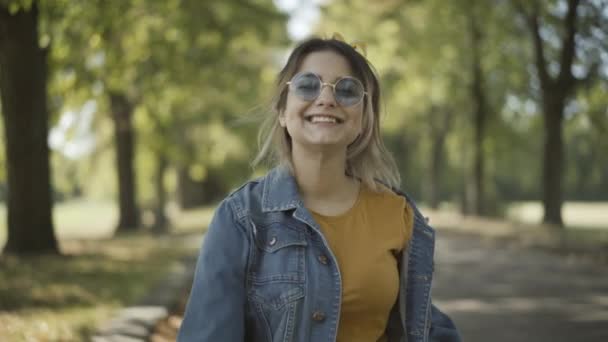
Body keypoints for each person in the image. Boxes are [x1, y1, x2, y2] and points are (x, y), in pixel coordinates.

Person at [177, 36, 461, 342]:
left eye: (347, 90)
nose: (326, 99)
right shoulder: (240, 219)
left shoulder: (397, 213)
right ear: (283, 111)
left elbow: (421, 322)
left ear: (364, 119)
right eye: (308, 85)